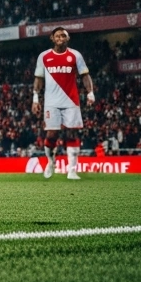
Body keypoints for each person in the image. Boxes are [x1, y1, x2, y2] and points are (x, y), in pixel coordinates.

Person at [33, 27, 94, 180]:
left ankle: (72, 170)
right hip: (51, 102)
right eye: (57, 35)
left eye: (63, 35)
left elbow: (85, 75)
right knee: (52, 134)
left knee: (71, 133)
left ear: (68, 39)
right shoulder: (44, 56)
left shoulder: (75, 55)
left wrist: (90, 92)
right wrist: (35, 98)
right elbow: (38, 79)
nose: (60, 37)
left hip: (71, 101)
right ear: (52, 39)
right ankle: (50, 162)